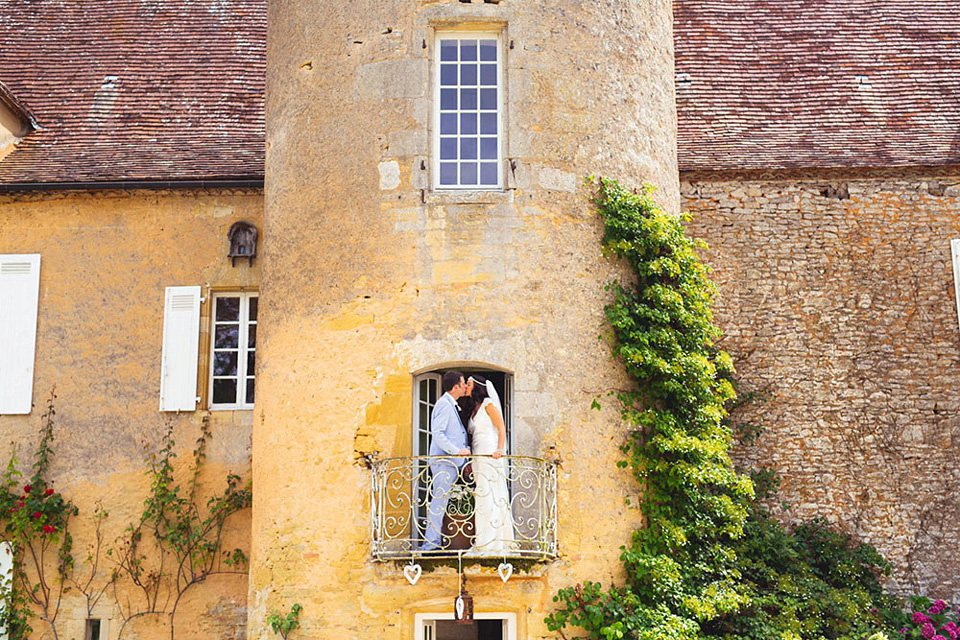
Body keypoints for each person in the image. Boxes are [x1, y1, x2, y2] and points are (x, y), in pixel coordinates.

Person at [422, 370, 471, 551]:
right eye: (464, 383)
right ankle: (430, 544)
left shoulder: (451, 404)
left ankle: (433, 541)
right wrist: (457, 451)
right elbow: (438, 434)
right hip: (443, 462)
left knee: (441, 501)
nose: (466, 386)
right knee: (439, 502)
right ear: (456, 386)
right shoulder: (444, 404)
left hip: (450, 462)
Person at [466, 375, 516, 553]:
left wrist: (499, 450)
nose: (466, 386)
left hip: (490, 451)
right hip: (478, 453)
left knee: (492, 492)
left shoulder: (488, 403)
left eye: (469, 384)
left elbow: (501, 427)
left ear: (477, 386)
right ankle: (482, 538)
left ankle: (494, 541)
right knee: (482, 494)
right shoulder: (474, 407)